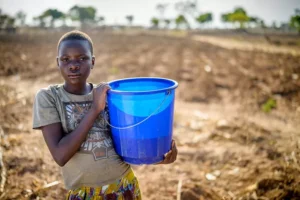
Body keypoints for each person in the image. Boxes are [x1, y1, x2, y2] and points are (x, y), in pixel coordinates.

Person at [32, 30, 178, 199]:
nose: (73, 65)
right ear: (58, 62)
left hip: (125, 187)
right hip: (85, 194)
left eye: (82, 58)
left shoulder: (108, 95)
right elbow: (60, 155)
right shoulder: (49, 97)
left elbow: (124, 148)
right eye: (66, 59)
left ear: (92, 61)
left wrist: (158, 157)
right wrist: (95, 109)